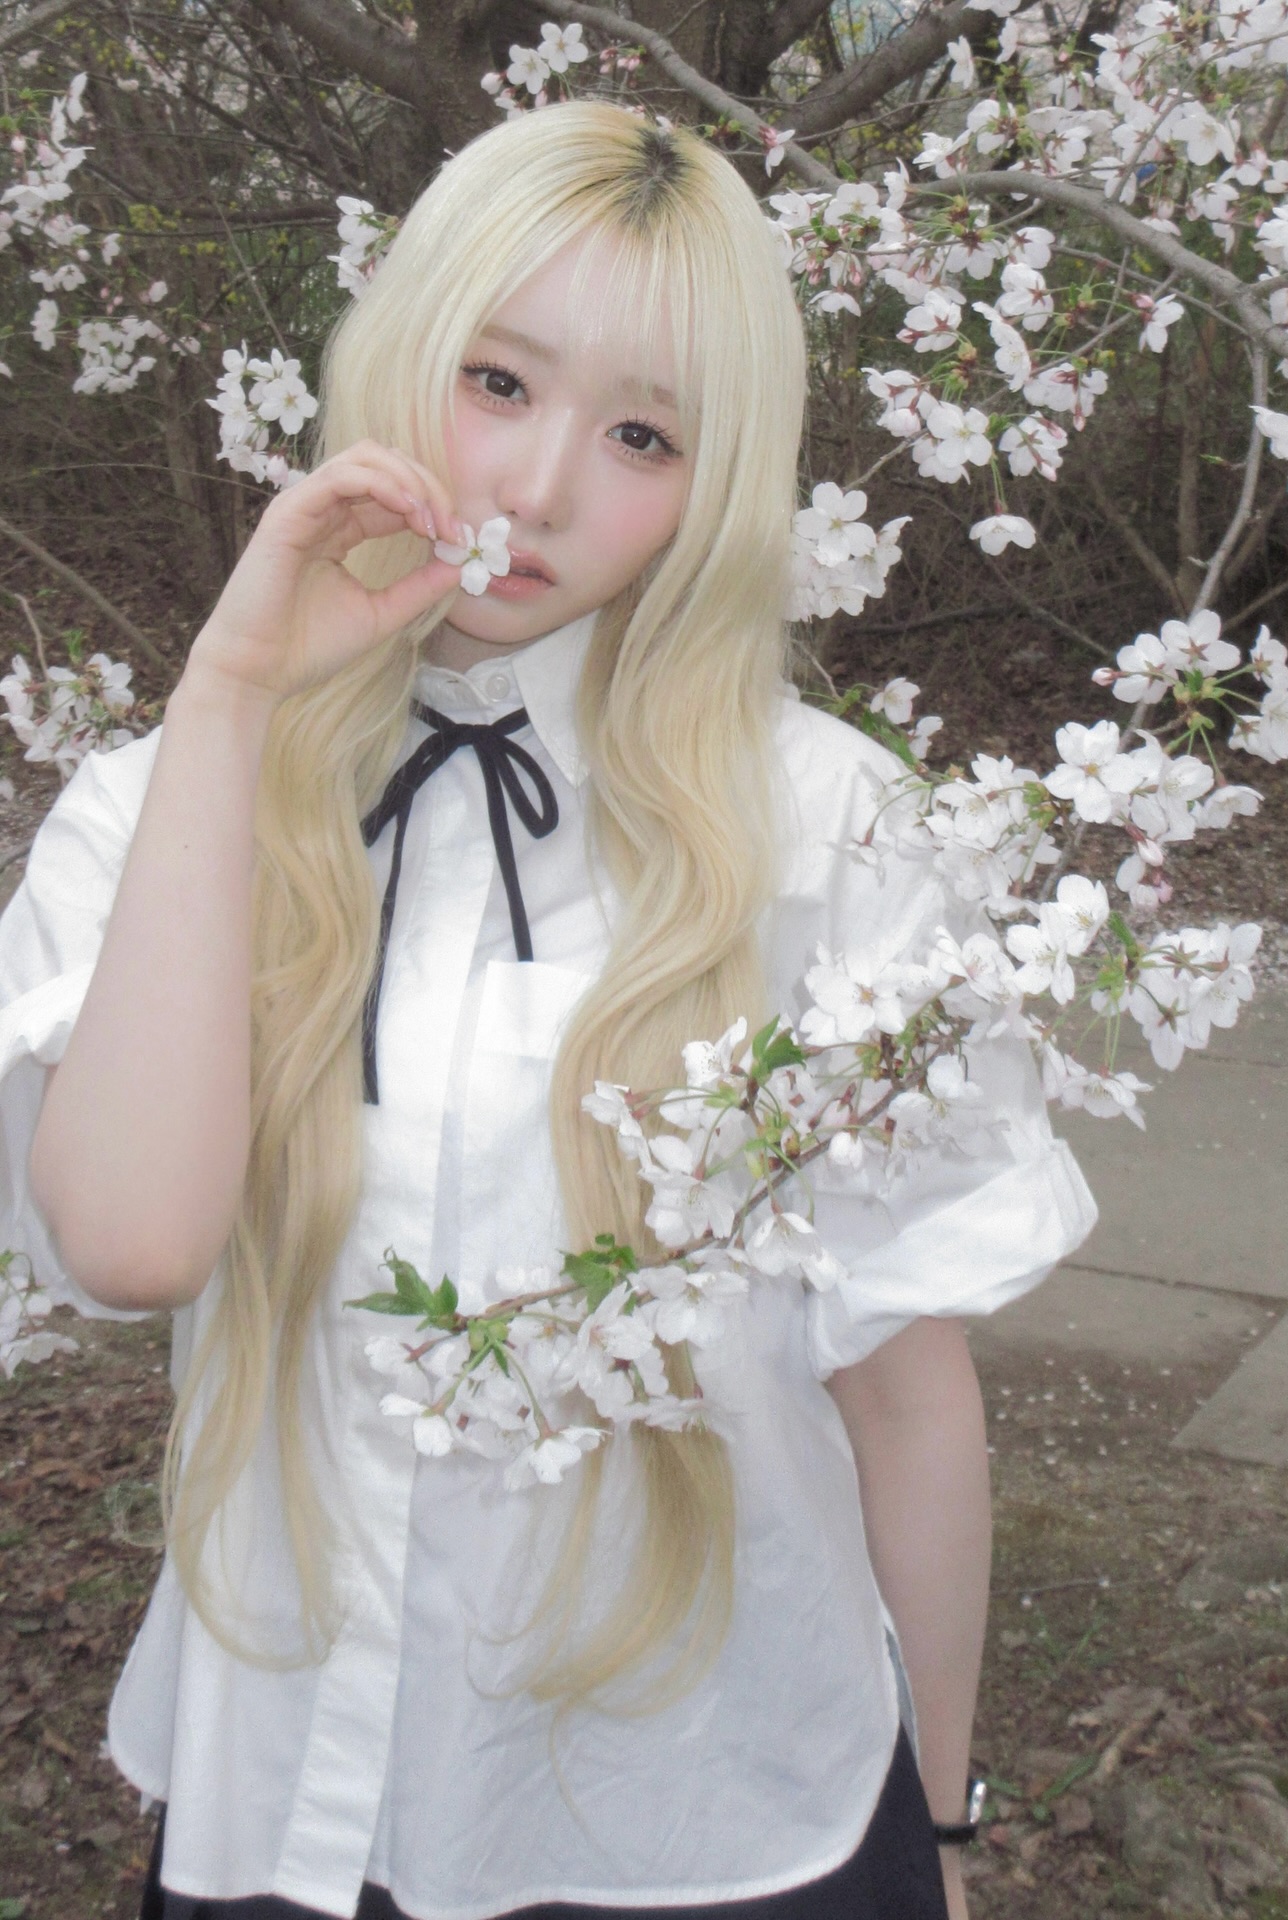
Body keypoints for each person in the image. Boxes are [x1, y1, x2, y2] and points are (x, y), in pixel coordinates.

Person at [0, 101, 1096, 1920]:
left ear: (717, 481)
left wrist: (951, 1825)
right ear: (402, 350)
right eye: (497, 382)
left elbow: (908, 1404)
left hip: (714, 1823)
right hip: (292, 1818)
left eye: (643, 434)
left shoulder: (829, 835)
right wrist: (232, 702)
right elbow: (128, 1246)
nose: (540, 486)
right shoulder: (166, 806)